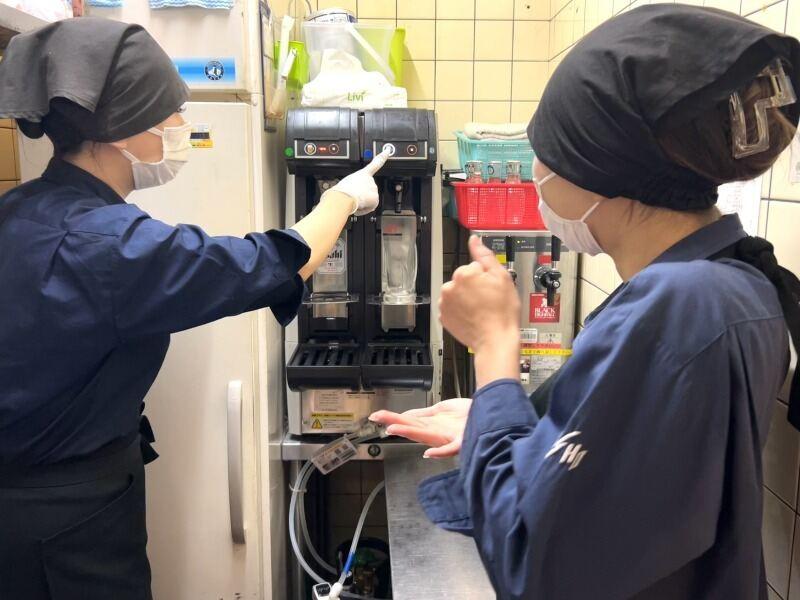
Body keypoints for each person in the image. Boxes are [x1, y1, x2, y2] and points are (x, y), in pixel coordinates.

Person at [372, 5, 800, 599]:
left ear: (599, 169)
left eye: (546, 153)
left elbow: (534, 563)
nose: (536, 174)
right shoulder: (730, 281)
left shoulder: (679, 307)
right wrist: (496, 422)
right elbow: (641, 469)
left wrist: (494, 346)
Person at [0, 18, 388, 600]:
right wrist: (344, 195)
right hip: (66, 528)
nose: (183, 126)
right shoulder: (112, 246)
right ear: (122, 130)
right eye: (172, 114)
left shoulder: (19, 209)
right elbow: (274, 263)